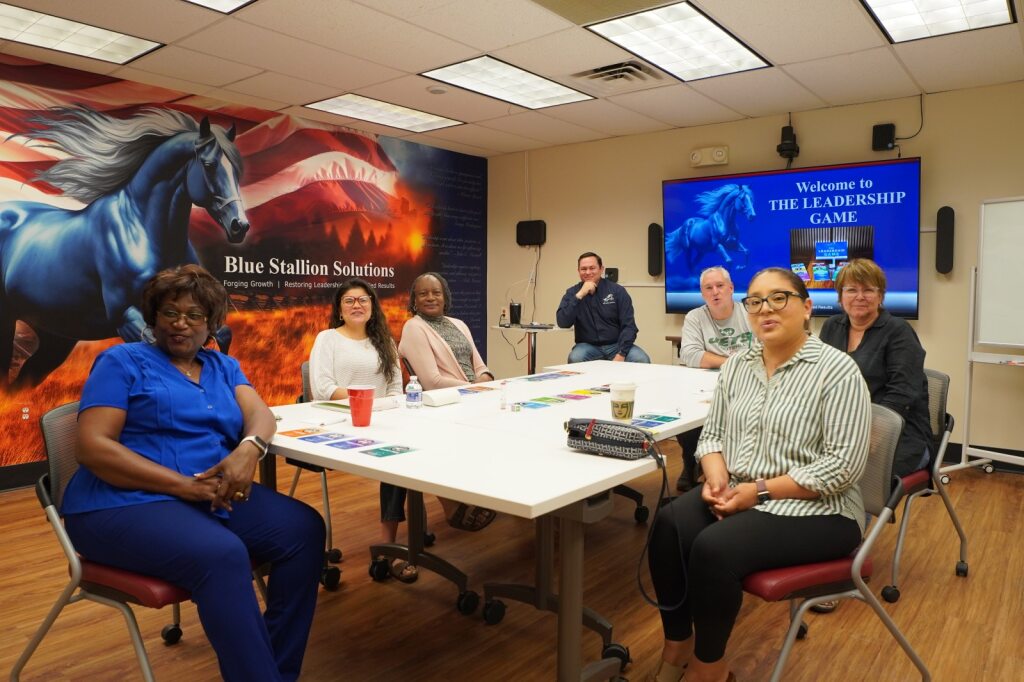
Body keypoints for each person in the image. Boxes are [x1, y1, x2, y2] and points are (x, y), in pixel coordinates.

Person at [61, 265, 325, 682]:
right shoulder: (121, 361)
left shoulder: (223, 366)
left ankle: (274, 669)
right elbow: (93, 448)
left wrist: (249, 449)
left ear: (211, 325)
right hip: (122, 502)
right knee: (222, 555)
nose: (180, 324)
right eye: (170, 313)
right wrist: (184, 487)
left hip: (208, 493)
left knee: (304, 529)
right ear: (153, 318)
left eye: (194, 315)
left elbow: (260, 415)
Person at [646, 267, 871, 682]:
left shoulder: (837, 371)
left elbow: (842, 467)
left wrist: (758, 491)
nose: (765, 309)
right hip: (742, 490)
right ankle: (677, 644)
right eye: (755, 301)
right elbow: (712, 436)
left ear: (807, 307)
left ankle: (709, 668)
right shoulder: (737, 366)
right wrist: (716, 479)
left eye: (778, 298)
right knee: (668, 526)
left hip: (822, 509)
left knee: (714, 549)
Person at [309, 278, 417, 582]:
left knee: (407, 454)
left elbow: (396, 388)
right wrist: (369, 400)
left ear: (372, 306)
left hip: (383, 422)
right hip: (343, 425)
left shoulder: (384, 341)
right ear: (339, 309)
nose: (357, 305)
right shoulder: (327, 339)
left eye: (363, 300)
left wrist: (381, 407)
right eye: (349, 300)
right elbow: (323, 389)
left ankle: (388, 546)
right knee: (398, 458)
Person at [398, 271, 497, 531]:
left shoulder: (459, 324)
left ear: (445, 297)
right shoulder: (414, 327)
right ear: (414, 300)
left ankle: (491, 492)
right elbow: (432, 381)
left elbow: (480, 365)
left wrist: (485, 380)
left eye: (436, 292)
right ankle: (454, 505)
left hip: (474, 397)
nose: (430, 297)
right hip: (444, 406)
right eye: (423, 294)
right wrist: (475, 389)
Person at [820, 259, 931, 477]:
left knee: (846, 475)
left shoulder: (899, 331)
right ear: (840, 296)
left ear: (880, 296)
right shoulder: (831, 326)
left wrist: (870, 440)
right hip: (842, 428)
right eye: (851, 290)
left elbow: (902, 394)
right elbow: (819, 379)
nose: (860, 296)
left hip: (895, 431)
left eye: (868, 290)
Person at [675, 266, 753, 492]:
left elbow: (764, 351)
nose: (715, 292)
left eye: (720, 286)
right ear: (702, 293)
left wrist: (717, 361)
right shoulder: (695, 317)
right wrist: (731, 362)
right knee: (686, 410)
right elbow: (690, 355)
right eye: (708, 288)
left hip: (746, 379)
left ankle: (731, 466)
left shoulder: (750, 313)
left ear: (731, 288)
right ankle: (691, 462)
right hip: (705, 383)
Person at [556, 252, 650, 363]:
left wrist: (621, 354)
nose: (588, 272)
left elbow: (629, 327)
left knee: (641, 359)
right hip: (587, 347)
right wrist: (580, 295)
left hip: (617, 345)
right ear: (578, 271)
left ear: (601, 269)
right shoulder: (572, 293)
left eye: (592, 268)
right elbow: (563, 322)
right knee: (575, 357)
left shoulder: (617, 291)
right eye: (583, 269)